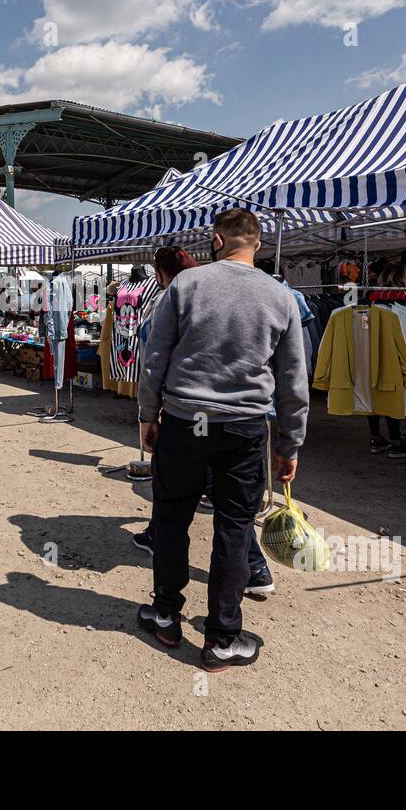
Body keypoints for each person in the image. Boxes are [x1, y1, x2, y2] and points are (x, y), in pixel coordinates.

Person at [136, 208, 309, 672]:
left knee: (171, 517)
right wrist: (289, 445)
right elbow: (293, 380)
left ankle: (166, 614)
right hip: (245, 427)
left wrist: (147, 414)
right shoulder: (281, 297)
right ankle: (222, 638)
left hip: (183, 418)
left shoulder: (185, 287)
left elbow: (156, 356)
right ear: (258, 244)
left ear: (216, 239)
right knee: (233, 527)